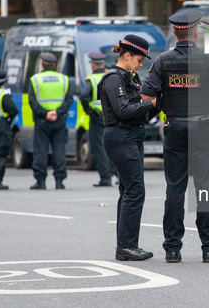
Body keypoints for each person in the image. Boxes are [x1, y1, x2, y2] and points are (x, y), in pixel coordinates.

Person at [141, 10, 209, 264]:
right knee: (205, 188)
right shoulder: (208, 60)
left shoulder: (162, 61)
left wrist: (164, 103)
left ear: (175, 32)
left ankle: (172, 249)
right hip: (203, 129)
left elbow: (146, 96)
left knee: (175, 189)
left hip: (174, 128)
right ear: (196, 33)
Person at [98, 35, 158, 261]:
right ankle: (126, 246)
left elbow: (140, 112)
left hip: (131, 135)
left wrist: (157, 104)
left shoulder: (129, 78)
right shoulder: (113, 79)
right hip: (120, 136)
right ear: (126, 55)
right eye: (139, 60)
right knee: (135, 190)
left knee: (128, 191)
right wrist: (149, 104)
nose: (141, 65)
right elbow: (123, 111)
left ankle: (126, 246)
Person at [28, 52, 74, 190]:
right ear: (54, 65)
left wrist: (45, 113)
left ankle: (40, 182)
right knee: (59, 150)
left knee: (40, 151)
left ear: (42, 64)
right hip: (59, 120)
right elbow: (69, 100)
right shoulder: (64, 79)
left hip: (42, 121)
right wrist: (57, 112)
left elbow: (32, 102)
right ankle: (60, 181)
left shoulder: (35, 79)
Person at [79, 52, 118, 187]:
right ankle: (118, 175)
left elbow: (84, 96)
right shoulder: (111, 76)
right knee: (115, 145)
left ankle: (105, 178)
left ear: (92, 65)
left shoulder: (92, 79)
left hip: (98, 117)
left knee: (99, 147)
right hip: (114, 116)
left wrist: (88, 109)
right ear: (103, 64)